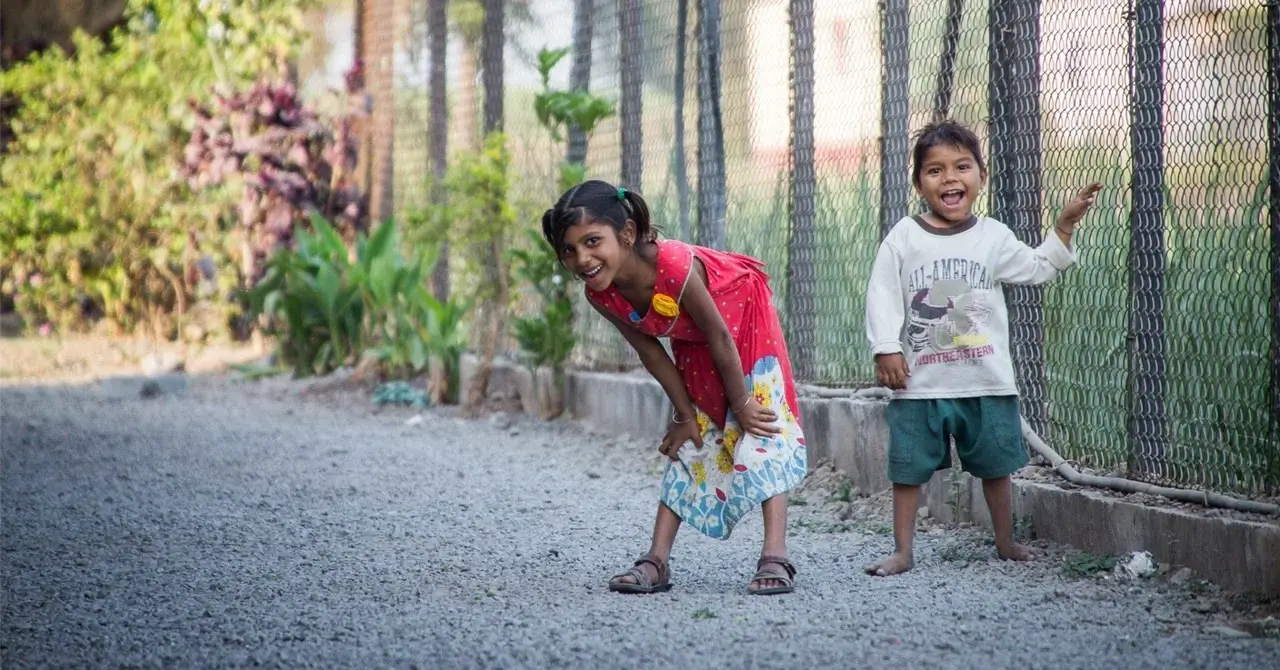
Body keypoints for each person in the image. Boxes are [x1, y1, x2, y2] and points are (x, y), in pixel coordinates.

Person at [540, 180, 808, 595]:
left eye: (592, 241)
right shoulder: (601, 294)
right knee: (693, 436)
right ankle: (656, 561)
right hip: (696, 339)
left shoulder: (675, 267)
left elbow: (720, 334)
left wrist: (740, 402)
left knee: (760, 422)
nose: (582, 258)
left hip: (745, 323)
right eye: (569, 250)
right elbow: (651, 352)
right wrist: (684, 414)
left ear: (627, 234)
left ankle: (775, 553)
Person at [863, 120, 1102, 577]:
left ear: (981, 176)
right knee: (907, 469)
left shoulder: (993, 236)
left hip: (986, 381)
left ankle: (1005, 541)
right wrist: (887, 347)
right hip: (921, 384)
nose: (949, 178)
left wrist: (1064, 226)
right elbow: (883, 293)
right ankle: (903, 551)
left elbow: (1037, 268)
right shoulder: (905, 236)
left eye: (962, 167)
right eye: (935, 170)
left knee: (996, 467)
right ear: (918, 183)